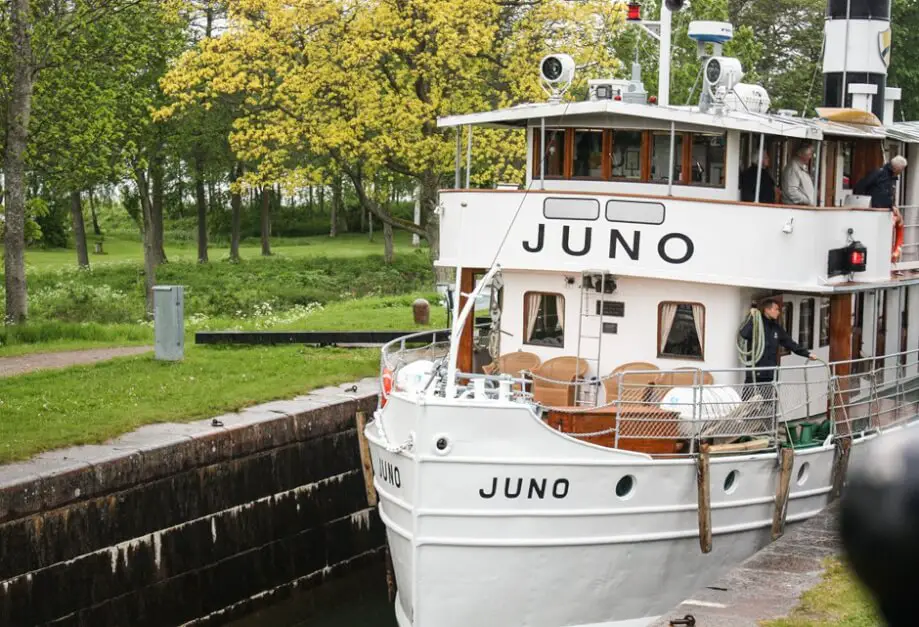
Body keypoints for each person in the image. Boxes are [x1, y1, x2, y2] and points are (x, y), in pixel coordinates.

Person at [738, 299, 817, 415]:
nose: (778, 312)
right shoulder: (756, 324)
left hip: (770, 373)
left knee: (769, 403)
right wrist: (752, 318)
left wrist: (807, 354)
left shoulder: (776, 328)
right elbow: (744, 334)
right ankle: (743, 426)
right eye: (776, 309)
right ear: (767, 310)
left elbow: (790, 343)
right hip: (755, 372)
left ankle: (767, 428)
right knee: (747, 403)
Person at [854, 155, 908, 262]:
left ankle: (882, 261)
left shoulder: (891, 178)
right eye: (901, 170)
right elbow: (860, 187)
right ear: (898, 168)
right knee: (873, 240)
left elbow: (887, 195)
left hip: (884, 215)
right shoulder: (879, 173)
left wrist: (892, 205)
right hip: (873, 214)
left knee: (882, 241)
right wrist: (865, 205)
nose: (901, 172)